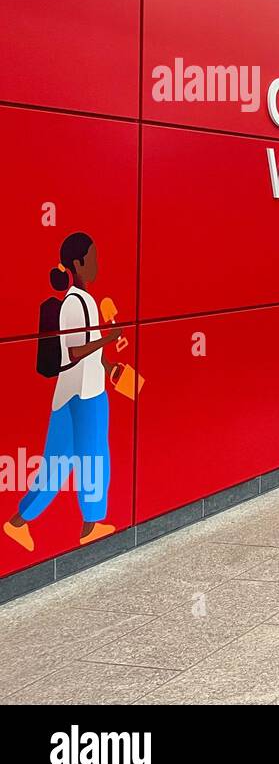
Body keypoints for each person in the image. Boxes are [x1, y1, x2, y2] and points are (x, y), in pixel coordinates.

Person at [5, 233, 119, 553]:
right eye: (93, 258)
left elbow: (87, 346)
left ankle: (18, 522)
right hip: (84, 394)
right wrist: (110, 338)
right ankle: (91, 525)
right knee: (95, 457)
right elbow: (76, 351)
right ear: (78, 263)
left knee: (57, 465)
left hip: (73, 392)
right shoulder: (75, 302)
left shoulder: (82, 300)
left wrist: (109, 366)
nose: (97, 264)